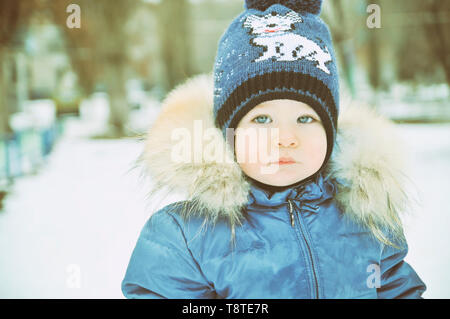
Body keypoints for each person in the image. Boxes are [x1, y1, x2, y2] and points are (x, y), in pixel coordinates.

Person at [121, 0, 426, 298]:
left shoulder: (365, 217)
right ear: (229, 135)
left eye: (306, 118)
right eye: (262, 118)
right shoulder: (187, 237)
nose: (286, 137)